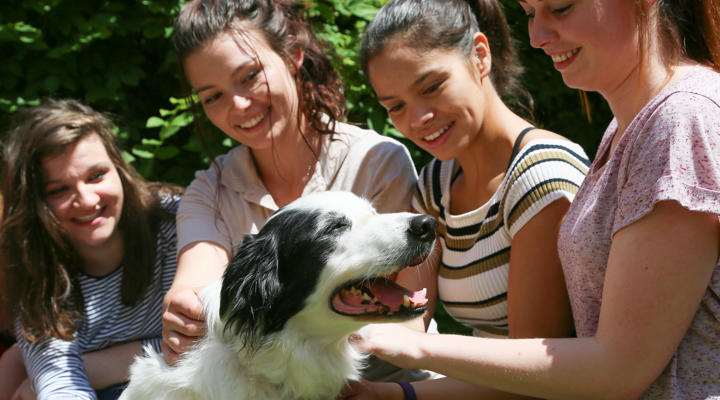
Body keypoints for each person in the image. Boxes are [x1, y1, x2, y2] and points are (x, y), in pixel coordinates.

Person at [344, 0, 720, 399]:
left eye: (560, 8)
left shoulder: (681, 118)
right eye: (529, 14)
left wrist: (410, 351)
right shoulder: (628, 127)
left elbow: (619, 367)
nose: (537, 37)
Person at [161, 0, 433, 382]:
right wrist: (186, 311)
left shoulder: (374, 160)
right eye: (212, 96)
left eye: (250, 75)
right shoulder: (207, 192)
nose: (238, 105)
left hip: (389, 383)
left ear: (293, 55)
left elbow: (409, 325)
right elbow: (197, 290)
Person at [341, 0, 590, 398]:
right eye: (396, 107)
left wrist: (395, 395)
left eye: (432, 87)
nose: (418, 118)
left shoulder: (541, 180)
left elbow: (532, 373)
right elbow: (409, 320)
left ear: (479, 55)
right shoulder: (436, 184)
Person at [0, 99, 181, 400]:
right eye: (59, 190)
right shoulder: (38, 273)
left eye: (96, 175)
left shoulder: (178, 223)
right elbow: (60, 385)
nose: (85, 200)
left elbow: (215, 340)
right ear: (36, 204)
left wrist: (91, 367)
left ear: (119, 168)